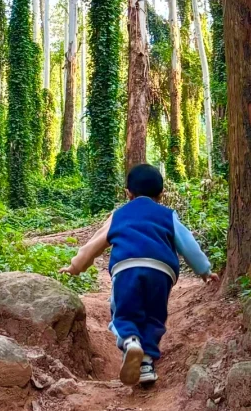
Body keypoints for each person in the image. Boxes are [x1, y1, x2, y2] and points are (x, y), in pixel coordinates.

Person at [65, 163, 218, 388]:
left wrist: (75, 266)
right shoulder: (168, 215)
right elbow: (188, 244)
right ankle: (146, 364)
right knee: (154, 318)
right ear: (161, 194)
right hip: (161, 272)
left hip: (126, 268)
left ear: (128, 192)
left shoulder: (119, 215)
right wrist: (204, 270)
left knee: (124, 313)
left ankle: (130, 340)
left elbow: (94, 245)